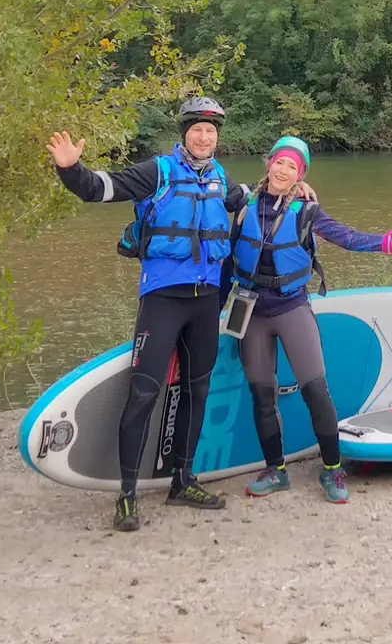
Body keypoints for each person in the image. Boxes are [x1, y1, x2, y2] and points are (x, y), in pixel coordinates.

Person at [48, 96, 246, 532]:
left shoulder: (221, 177)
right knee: (143, 393)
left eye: (211, 131)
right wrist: (71, 170)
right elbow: (100, 188)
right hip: (163, 300)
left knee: (197, 390)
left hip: (206, 301)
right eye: (197, 129)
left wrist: (295, 187)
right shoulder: (157, 171)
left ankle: (183, 481)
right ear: (185, 134)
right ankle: (127, 495)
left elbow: (254, 196)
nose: (204, 137)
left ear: (217, 138)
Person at [234, 136, 392, 505]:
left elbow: (349, 238)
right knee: (262, 394)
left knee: (315, 389)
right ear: (269, 163)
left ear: (300, 175)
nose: (283, 170)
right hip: (253, 312)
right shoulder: (242, 202)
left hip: (291, 308)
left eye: (292, 167)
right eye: (279, 162)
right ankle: (275, 470)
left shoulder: (307, 211)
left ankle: (332, 468)